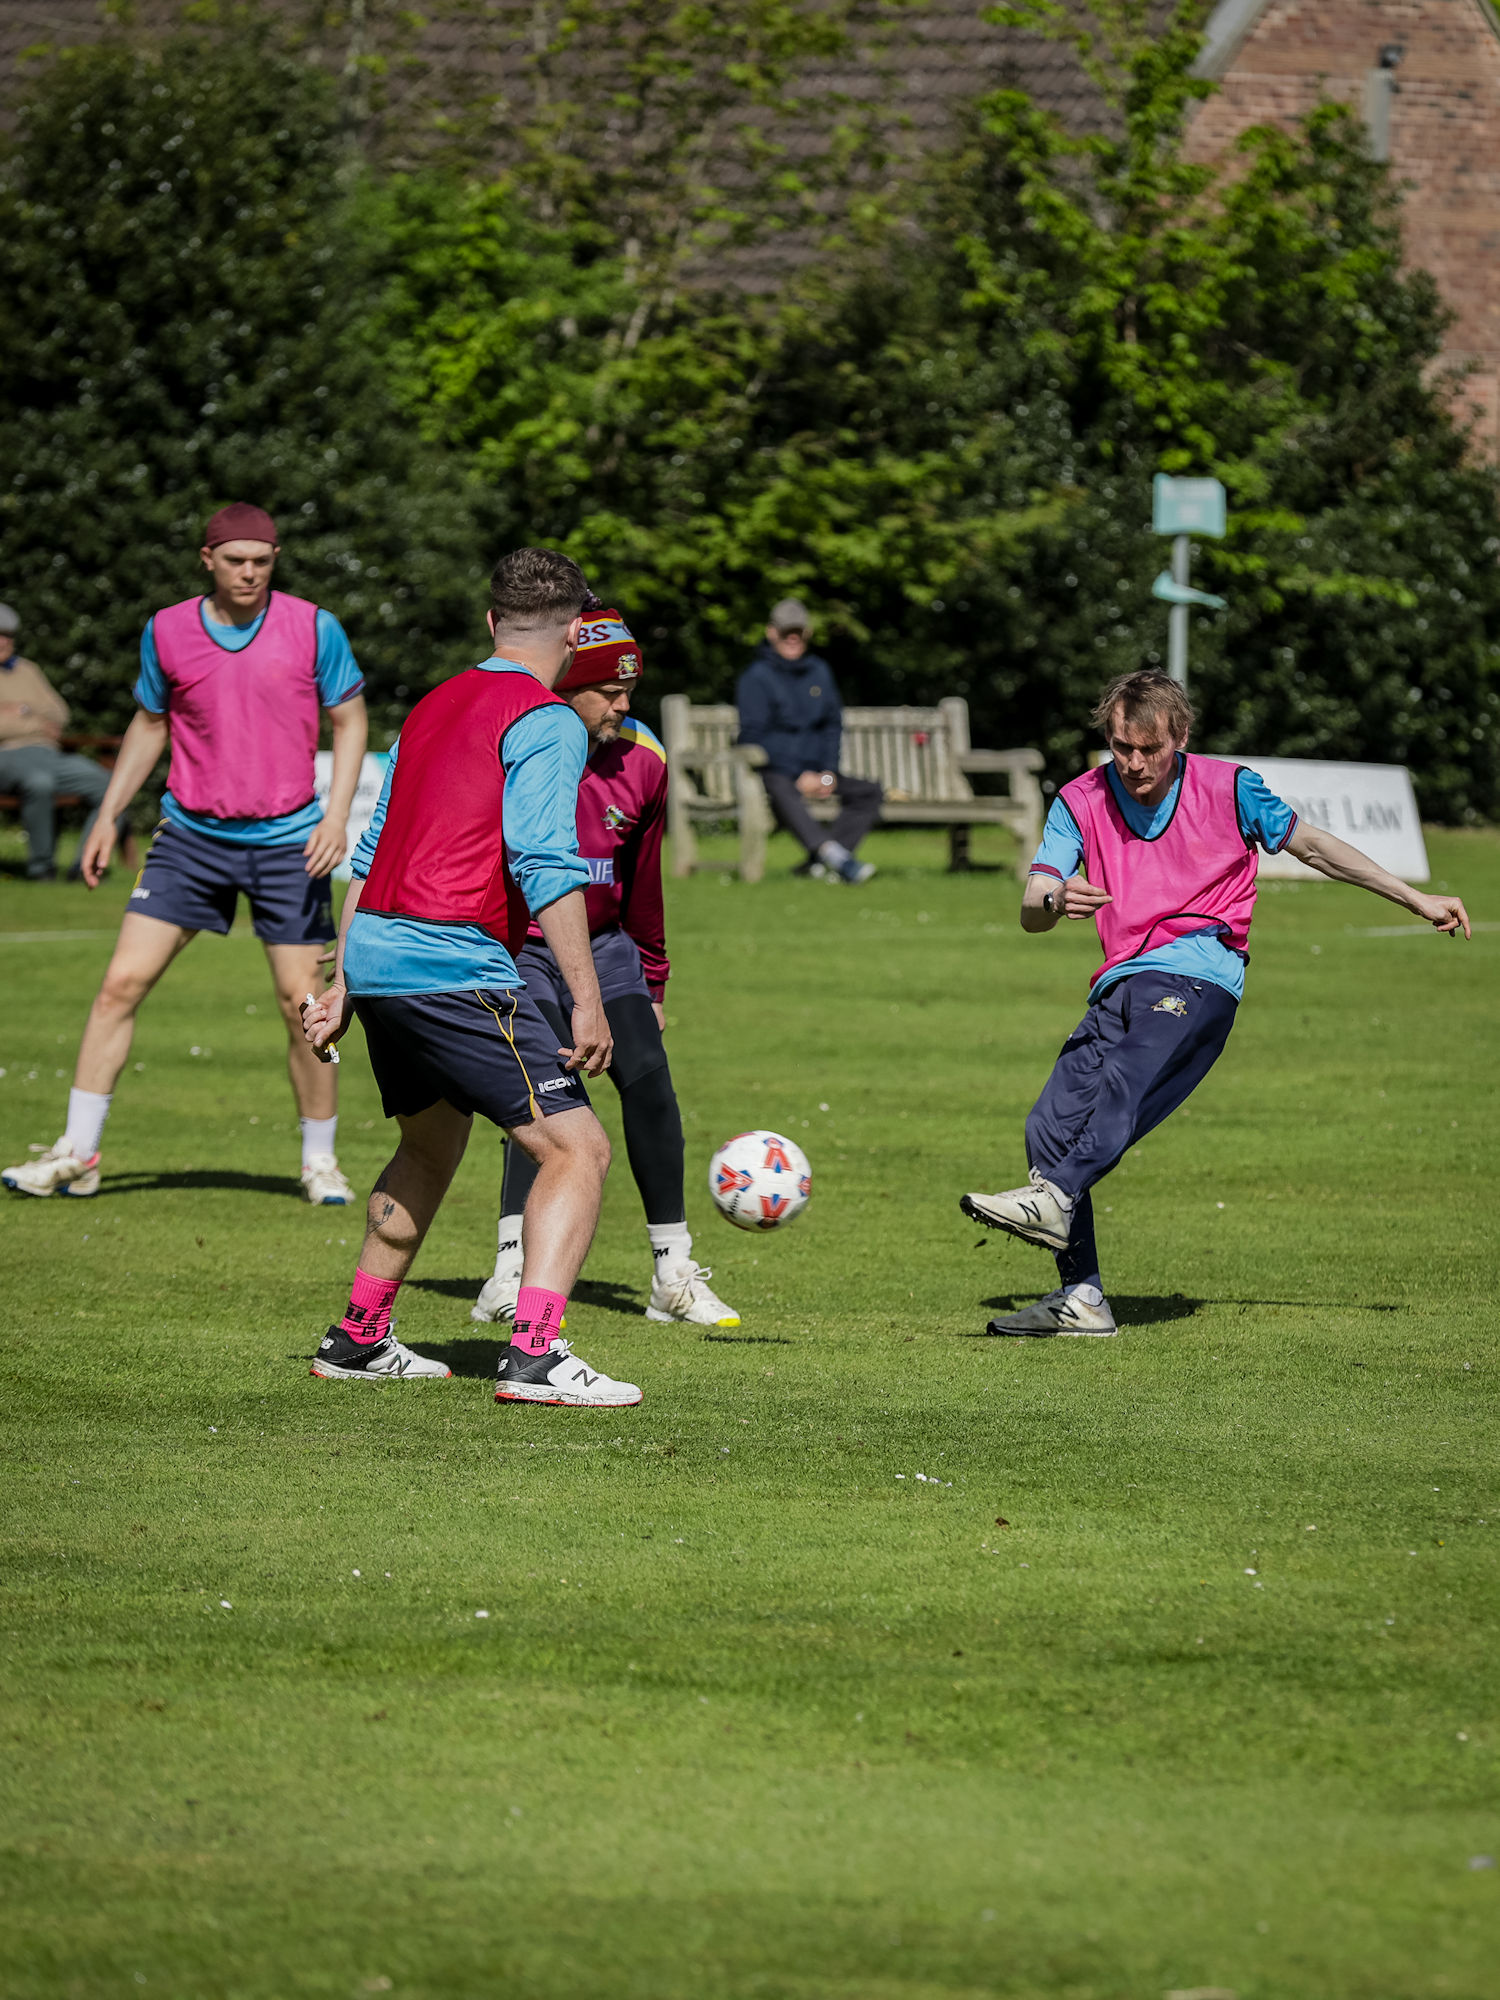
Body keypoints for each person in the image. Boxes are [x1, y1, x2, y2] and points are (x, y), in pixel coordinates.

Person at [961, 668, 1470, 1338]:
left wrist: (1417, 898)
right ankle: (1081, 1298)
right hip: (1120, 983)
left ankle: (1054, 1199)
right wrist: (1057, 899)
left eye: (1149, 748)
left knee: (1123, 1081)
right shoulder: (1080, 799)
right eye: (1120, 747)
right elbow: (1033, 905)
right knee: (1049, 1130)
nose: (1134, 763)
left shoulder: (1229, 788)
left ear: (1181, 736)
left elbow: (1316, 848)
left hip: (1199, 976)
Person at [300, 547, 642, 1407]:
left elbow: (372, 852)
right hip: (450, 962)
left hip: (379, 953)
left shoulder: (433, 703)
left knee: (431, 1139)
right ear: (574, 634)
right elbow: (546, 863)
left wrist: (346, 980)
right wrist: (588, 1000)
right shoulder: (549, 718)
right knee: (579, 1148)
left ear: (492, 623)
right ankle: (534, 1355)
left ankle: (359, 1338)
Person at [1, 505, 367, 1206]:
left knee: (306, 1007)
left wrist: (333, 814)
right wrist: (109, 815)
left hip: (288, 842)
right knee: (119, 986)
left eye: (262, 560)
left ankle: (320, 1161)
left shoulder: (313, 626)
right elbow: (149, 722)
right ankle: (78, 1152)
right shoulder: (166, 629)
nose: (250, 572)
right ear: (207, 559)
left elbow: (348, 718)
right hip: (189, 839)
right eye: (236, 560)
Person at [472, 608, 739, 1332]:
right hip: (522, 946)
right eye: (610, 692)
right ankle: (510, 1269)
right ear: (569, 686)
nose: (625, 706)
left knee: (649, 1081)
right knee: (543, 1099)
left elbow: (644, 883)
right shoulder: (515, 747)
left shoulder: (642, 762)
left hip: (609, 947)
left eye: (631, 690)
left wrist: (652, 981)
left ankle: (672, 1273)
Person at [735, 597, 882, 884]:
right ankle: (835, 857)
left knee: (869, 791)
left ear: (808, 633)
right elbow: (753, 735)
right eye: (786, 631)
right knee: (780, 788)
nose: (793, 638)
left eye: (798, 631)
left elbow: (832, 725)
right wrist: (799, 774)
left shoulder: (819, 671)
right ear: (771, 632)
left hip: (820, 772)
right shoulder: (756, 677)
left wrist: (826, 773)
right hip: (778, 772)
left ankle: (823, 860)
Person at [0, 602, 124, 881]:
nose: (2, 641)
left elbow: (59, 712)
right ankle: (41, 869)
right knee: (39, 782)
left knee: (111, 786)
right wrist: (31, 715)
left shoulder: (27, 670)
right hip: (6, 756)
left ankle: (86, 865)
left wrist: (16, 711)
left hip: (47, 752)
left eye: (7, 635)